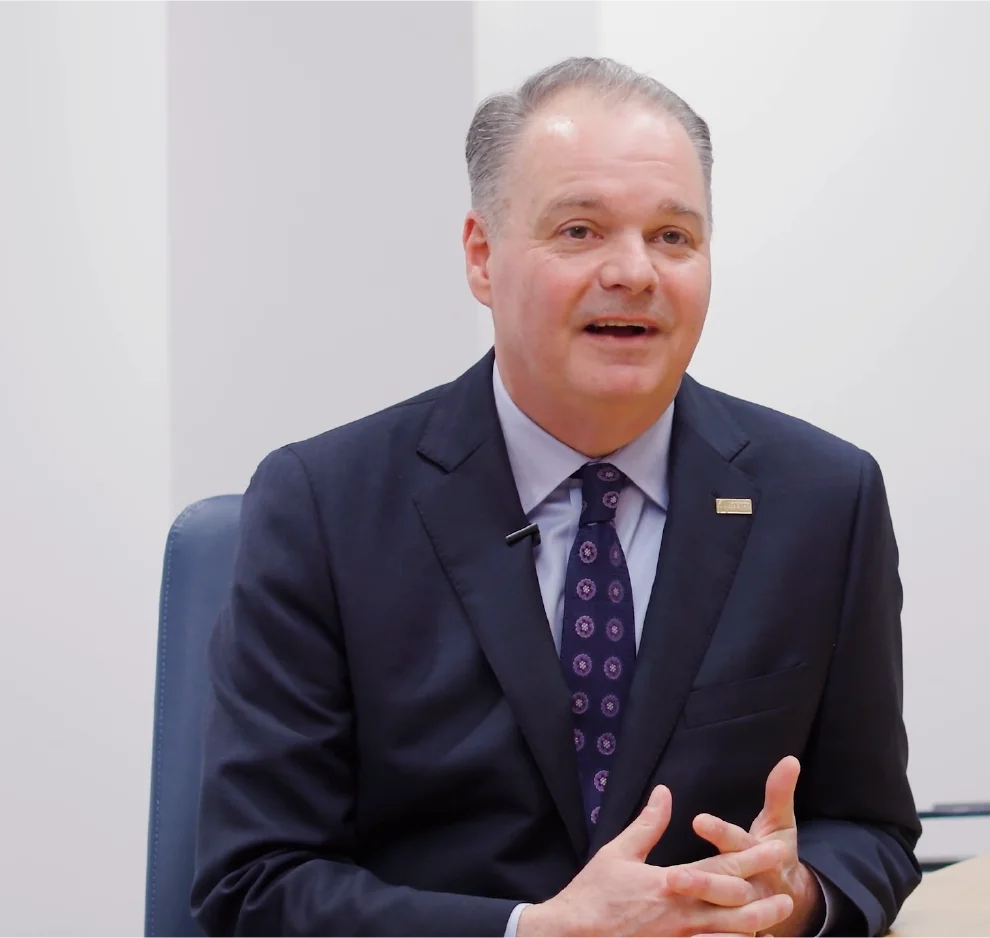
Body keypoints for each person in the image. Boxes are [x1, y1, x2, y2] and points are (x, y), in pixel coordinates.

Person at [191, 57, 920, 938]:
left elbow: (870, 828)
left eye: (673, 237)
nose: (634, 271)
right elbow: (256, 886)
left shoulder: (823, 502)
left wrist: (797, 896)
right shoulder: (322, 507)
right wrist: (532, 933)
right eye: (579, 231)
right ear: (481, 257)